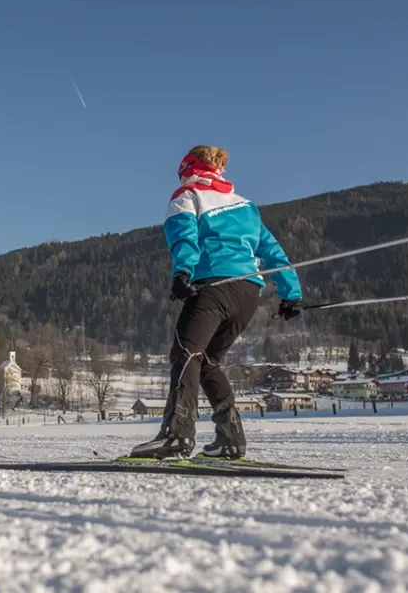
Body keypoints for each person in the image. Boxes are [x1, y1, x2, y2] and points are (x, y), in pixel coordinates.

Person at [129, 145, 304, 460]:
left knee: (186, 354)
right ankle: (230, 439)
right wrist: (291, 294)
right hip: (248, 293)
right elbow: (272, 252)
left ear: (188, 170)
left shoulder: (188, 195)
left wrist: (182, 272)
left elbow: (184, 237)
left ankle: (176, 436)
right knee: (208, 361)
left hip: (214, 287)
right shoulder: (245, 205)